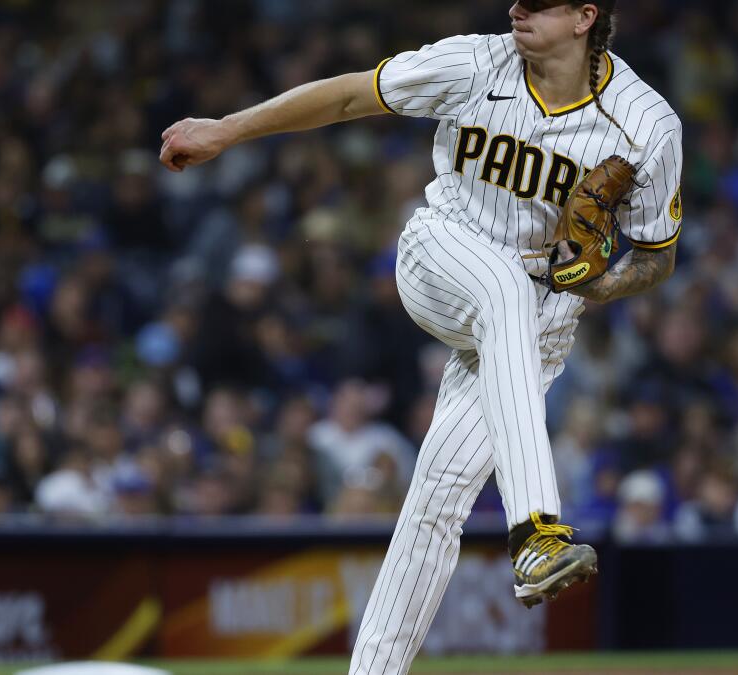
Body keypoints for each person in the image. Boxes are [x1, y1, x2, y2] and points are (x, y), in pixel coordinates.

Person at [160, 1, 682, 673]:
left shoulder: (645, 123)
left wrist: (598, 283)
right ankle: (537, 531)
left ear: (585, 16)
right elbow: (350, 96)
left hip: (536, 325)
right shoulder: (475, 62)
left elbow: (656, 253)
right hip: (443, 254)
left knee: (437, 502)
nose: (518, 9)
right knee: (501, 290)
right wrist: (229, 129)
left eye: (539, 2)